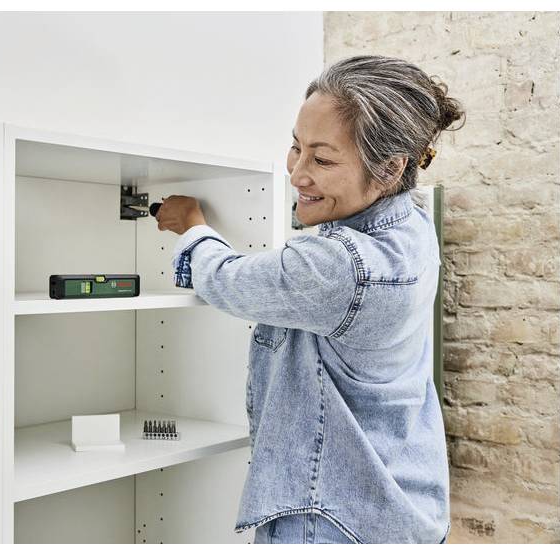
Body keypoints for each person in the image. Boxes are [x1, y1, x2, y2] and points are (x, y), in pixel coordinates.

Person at [154, 55, 465, 544]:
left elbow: (228, 279)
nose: (297, 174)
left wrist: (194, 225)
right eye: (295, 148)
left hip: (332, 521)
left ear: (389, 169)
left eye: (321, 159)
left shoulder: (341, 267)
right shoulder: (412, 224)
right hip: (401, 502)